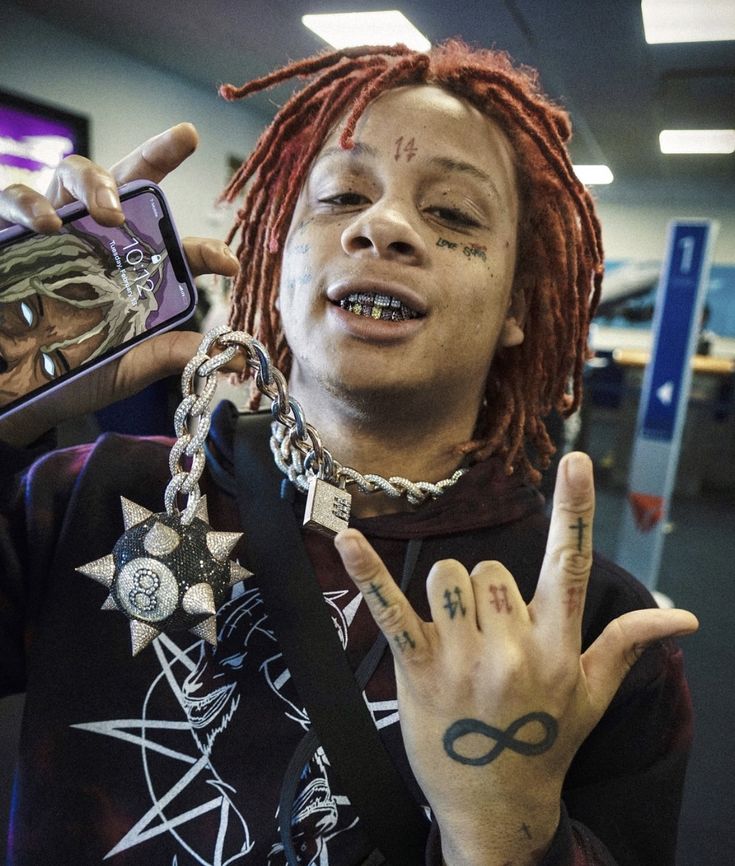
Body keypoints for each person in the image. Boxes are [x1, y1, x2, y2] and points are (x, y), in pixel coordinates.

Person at [0, 41, 697, 866]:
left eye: (451, 214)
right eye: (339, 196)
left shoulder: (594, 630)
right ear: (277, 256)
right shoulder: (87, 495)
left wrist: (507, 830)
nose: (383, 226)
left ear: (516, 305)